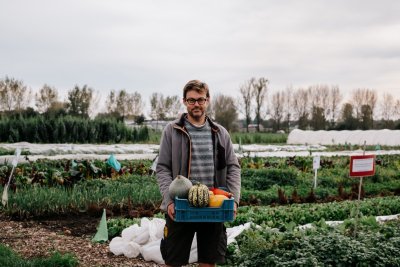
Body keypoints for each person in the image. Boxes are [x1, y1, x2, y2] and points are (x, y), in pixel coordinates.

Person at [156, 80, 241, 267]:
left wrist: (233, 200)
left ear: (207, 100)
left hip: (213, 204)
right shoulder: (172, 131)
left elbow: (233, 167)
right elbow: (162, 168)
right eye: (191, 100)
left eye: (200, 100)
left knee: (208, 262)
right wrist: (169, 201)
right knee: (174, 261)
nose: (196, 104)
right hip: (181, 205)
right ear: (185, 101)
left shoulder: (220, 133)